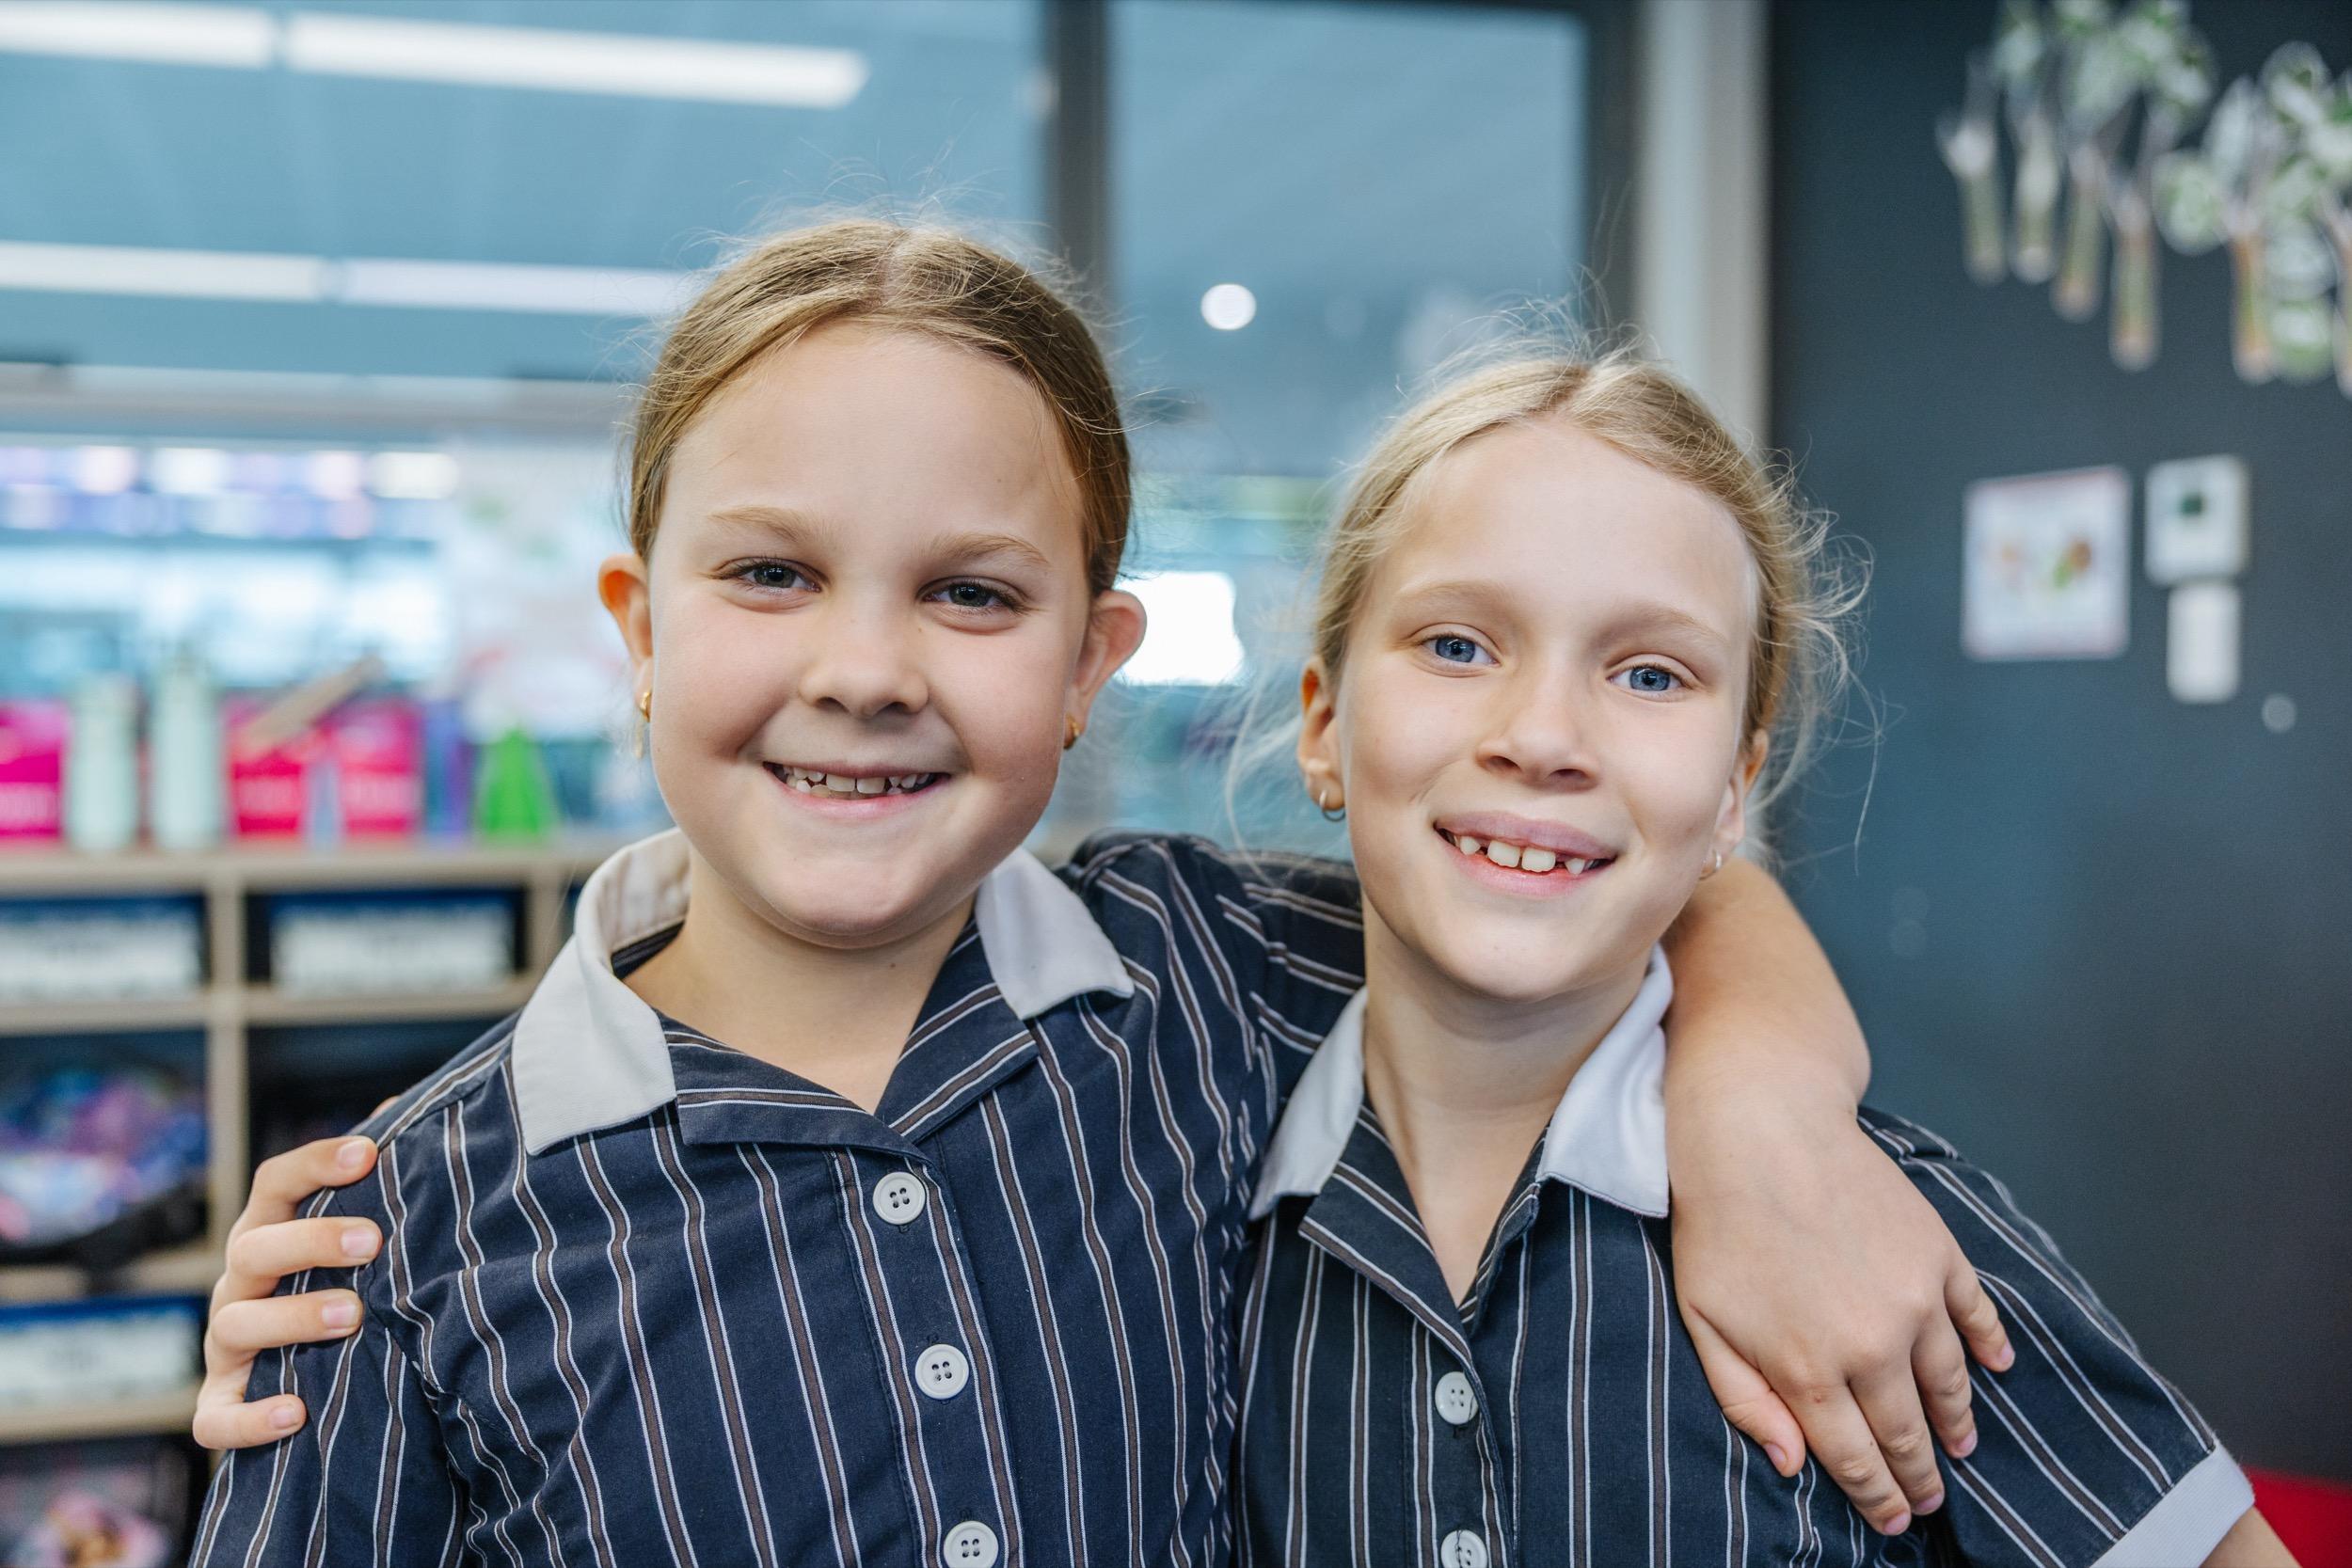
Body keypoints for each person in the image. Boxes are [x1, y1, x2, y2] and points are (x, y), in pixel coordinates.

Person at [190, 218, 2007, 1565]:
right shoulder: (401, 1241)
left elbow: (1601, 884)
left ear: (1090, 666)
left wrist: (1765, 1113)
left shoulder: (1204, 967)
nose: (869, 668)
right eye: (769, 574)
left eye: (974, 595)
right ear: (639, 631)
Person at [1230, 345, 2292, 1565]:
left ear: (1735, 790)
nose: (1543, 736)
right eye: (1459, 645)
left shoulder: (1877, 1237)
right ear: (1324, 721)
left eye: (1649, 672)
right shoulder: (1171, 1148)